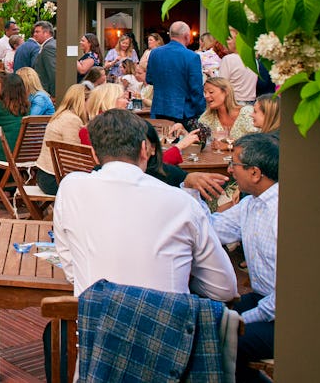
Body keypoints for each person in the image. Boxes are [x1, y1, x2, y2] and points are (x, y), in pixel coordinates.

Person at [54, 108, 238, 298]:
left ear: (94, 154)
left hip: (94, 320)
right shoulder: (182, 202)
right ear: (144, 150)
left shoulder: (71, 188)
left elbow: (72, 271)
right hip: (166, 323)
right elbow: (224, 289)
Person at [207, 133, 280, 382]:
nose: (230, 170)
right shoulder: (252, 204)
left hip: (290, 315)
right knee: (203, 324)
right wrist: (190, 191)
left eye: (234, 164)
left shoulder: (284, 210)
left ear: (255, 173)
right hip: (263, 299)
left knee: (219, 341)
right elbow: (211, 229)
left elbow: (291, 292)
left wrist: (243, 318)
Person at [146, 21, 206, 128]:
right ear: (187, 36)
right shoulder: (191, 56)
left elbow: (149, 79)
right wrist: (201, 110)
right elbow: (196, 89)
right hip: (183, 111)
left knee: (162, 142)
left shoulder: (155, 53)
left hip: (160, 108)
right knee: (184, 143)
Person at [35, 84, 88, 194]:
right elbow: (73, 157)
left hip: (45, 175)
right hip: (54, 180)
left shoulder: (61, 115)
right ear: (83, 101)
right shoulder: (72, 120)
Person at [219, 30, 259, 105]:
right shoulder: (253, 60)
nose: (224, 42)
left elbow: (221, 85)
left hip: (233, 103)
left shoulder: (228, 59)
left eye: (228, 39)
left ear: (237, 41)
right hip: (251, 104)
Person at [30, 21, 56, 96]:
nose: (34, 34)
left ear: (46, 33)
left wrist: (54, 95)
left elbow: (53, 73)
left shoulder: (49, 47)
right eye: (34, 32)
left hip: (46, 93)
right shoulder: (49, 45)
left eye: (37, 32)